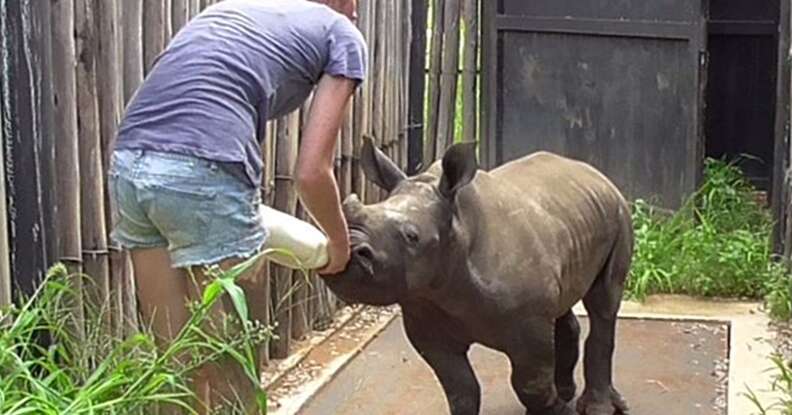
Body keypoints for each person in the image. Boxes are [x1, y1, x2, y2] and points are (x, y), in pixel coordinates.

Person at [107, 0, 366, 413]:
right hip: (204, 171)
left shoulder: (231, 10)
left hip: (130, 164)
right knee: (234, 369)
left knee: (175, 362)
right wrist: (338, 243)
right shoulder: (341, 33)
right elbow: (312, 172)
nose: (356, 11)